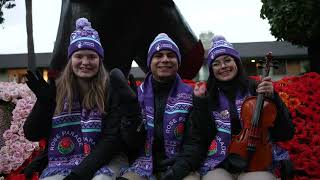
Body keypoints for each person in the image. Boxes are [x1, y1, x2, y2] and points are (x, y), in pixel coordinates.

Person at [23, 17, 145, 180]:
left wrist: (78, 175)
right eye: (79, 56)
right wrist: (44, 104)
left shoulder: (112, 89)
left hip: (107, 159)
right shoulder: (57, 90)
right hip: (63, 160)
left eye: (91, 57)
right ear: (70, 60)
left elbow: (111, 140)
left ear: (100, 61)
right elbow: (32, 134)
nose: (85, 62)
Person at [193, 35, 294, 180]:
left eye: (227, 60)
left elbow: (285, 133)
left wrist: (274, 98)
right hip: (220, 163)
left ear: (237, 63)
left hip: (256, 159)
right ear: (211, 69)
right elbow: (203, 135)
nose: (223, 67)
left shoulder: (257, 89)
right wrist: (199, 103)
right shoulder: (207, 95)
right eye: (216, 63)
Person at [119, 33, 205, 180]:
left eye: (170, 55)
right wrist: (131, 114)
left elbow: (196, 143)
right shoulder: (135, 95)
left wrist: (176, 172)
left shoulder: (192, 95)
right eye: (158, 56)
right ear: (149, 62)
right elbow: (129, 143)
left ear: (177, 62)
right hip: (141, 165)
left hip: (181, 167)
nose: (165, 60)